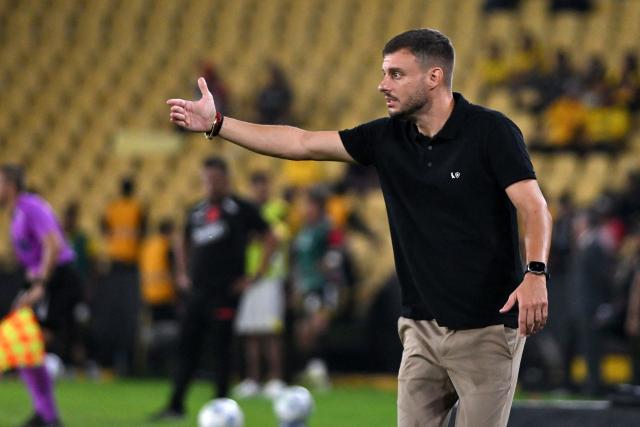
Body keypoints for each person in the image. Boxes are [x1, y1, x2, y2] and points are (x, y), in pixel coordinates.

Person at [167, 28, 552, 427]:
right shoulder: (386, 138)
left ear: (434, 77)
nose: (382, 84)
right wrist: (218, 123)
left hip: (486, 329)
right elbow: (301, 143)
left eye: (396, 74)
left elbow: (535, 207)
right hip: (421, 328)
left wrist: (536, 273)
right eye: (384, 73)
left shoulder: (491, 131)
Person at [152, 157, 276, 420]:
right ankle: (176, 405)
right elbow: (181, 240)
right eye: (206, 180)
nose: (209, 185)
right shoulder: (196, 211)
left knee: (222, 350)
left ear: (226, 180)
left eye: (214, 180)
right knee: (187, 347)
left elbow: (270, 236)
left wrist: (255, 276)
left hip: (226, 292)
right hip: (197, 291)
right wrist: (182, 273)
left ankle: (221, 409)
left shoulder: (241, 209)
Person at [0, 164, 80, 427]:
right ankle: (45, 413)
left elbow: (53, 244)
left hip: (57, 280)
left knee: (32, 345)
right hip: (44, 280)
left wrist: (40, 284)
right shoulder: (16, 213)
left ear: (10, 185)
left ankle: (48, 412)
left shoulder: (29, 206)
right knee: (25, 346)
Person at [234, 171, 289, 399]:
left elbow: (277, 237)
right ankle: (253, 380)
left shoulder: (277, 209)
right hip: (250, 278)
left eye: (263, 185)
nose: (260, 190)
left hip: (269, 278)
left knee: (270, 331)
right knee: (251, 332)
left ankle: (275, 379)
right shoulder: (246, 211)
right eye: (256, 186)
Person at [95, 177, 146, 375]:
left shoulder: (112, 208)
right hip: (131, 265)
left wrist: (112, 240)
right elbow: (142, 230)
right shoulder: (137, 207)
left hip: (115, 263)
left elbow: (103, 227)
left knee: (113, 314)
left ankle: (110, 361)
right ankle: (126, 363)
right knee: (128, 315)